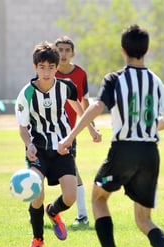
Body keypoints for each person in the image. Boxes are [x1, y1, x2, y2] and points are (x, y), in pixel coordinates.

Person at [58, 24, 164, 247]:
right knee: (143, 218)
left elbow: (96, 107)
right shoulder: (155, 80)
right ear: (146, 50)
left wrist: (71, 136)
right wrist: (146, 126)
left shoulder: (115, 79)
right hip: (150, 152)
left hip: (124, 149)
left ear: (123, 50)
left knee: (98, 198)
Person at [15, 41, 99, 247]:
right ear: (35, 67)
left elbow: (79, 108)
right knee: (37, 195)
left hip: (62, 146)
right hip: (39, 150)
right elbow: (23, 127)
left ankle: (53, 211)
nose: (46, 71)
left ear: (56, 67)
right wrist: (29, 145)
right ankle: (37, 241)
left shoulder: (66, 87)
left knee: (70, 197)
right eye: (42, 67)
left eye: (51, 67)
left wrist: (91, 129)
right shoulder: (26, 94)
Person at [55, 36, 101, 227]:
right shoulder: (48, 72)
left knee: (71, 168)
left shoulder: (80, 74)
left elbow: (85, 102)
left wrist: (92, 126)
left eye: (67, 50)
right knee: (42, 169)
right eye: (60, 50)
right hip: (47, 128)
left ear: (73, 53)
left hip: (69, 130)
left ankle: (82, 215)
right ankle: (39, 211)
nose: (63, 54)